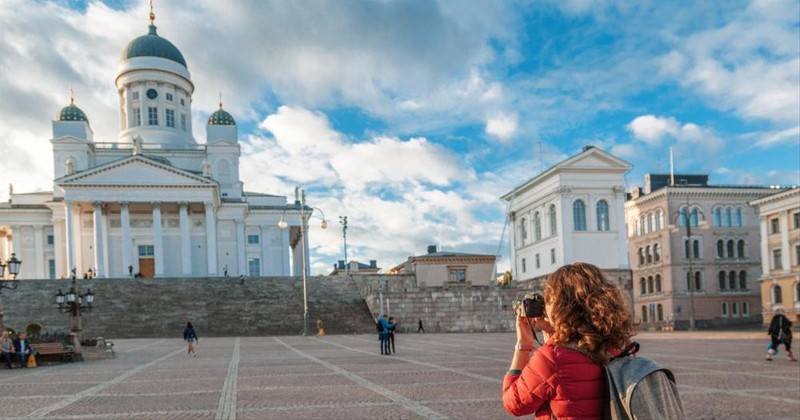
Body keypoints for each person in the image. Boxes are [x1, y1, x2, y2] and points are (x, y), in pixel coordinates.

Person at [502, 262, 636, 419]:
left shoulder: (552, 358)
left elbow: (514, 403)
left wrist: (523, 345)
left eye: (549, 299)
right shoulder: (617, 347)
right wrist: (555, 335)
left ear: (561, 305)